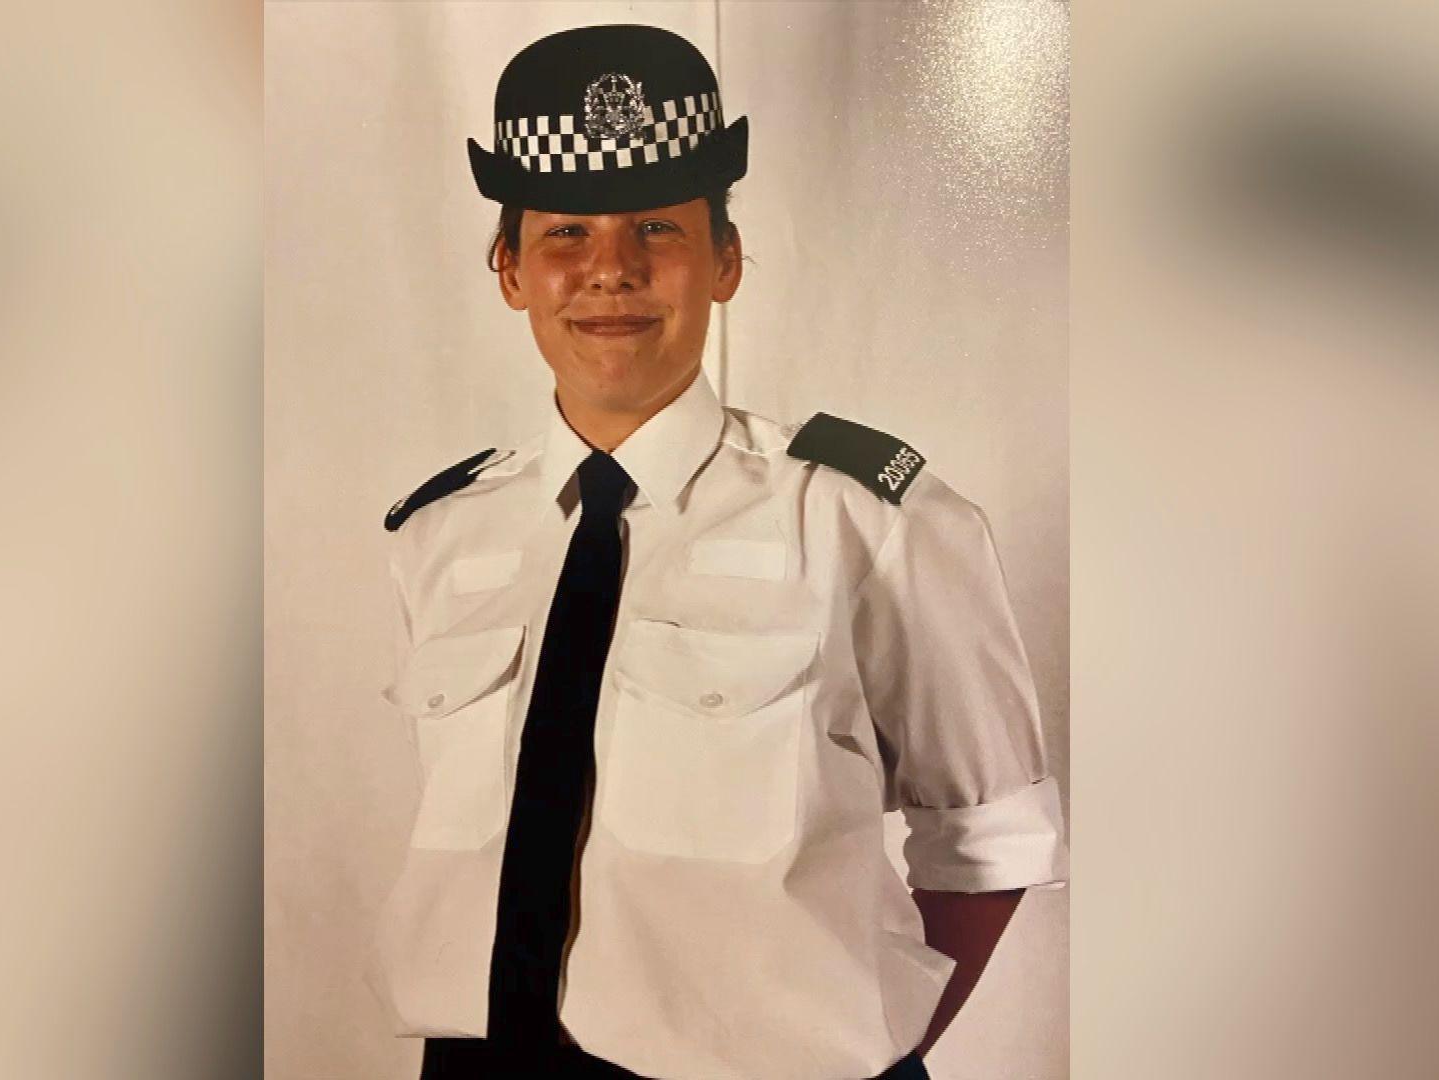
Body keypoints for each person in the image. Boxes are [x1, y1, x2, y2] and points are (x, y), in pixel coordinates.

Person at [370, 23, 1067, 1080]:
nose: (611, 270)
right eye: (565, 234)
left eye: (658, 227)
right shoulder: (442, 535)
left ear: (726, 260)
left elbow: (990, 839)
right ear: (509, 270)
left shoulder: (863, 520)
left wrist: (863, 1046)